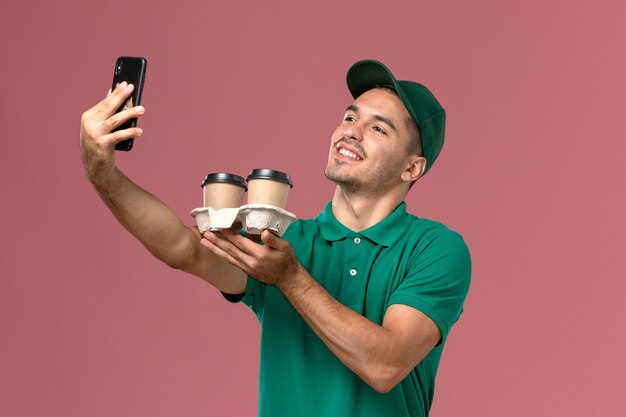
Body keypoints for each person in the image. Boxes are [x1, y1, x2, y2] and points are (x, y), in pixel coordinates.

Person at [80, 59, 471, 417]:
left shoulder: (434, 248)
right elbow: (184, 249)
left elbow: (385, 365)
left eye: (378, 128)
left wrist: (289, 278)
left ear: (411, 168)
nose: (352, 132)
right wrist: (102, 172)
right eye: (350, 117)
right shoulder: (286, 240)